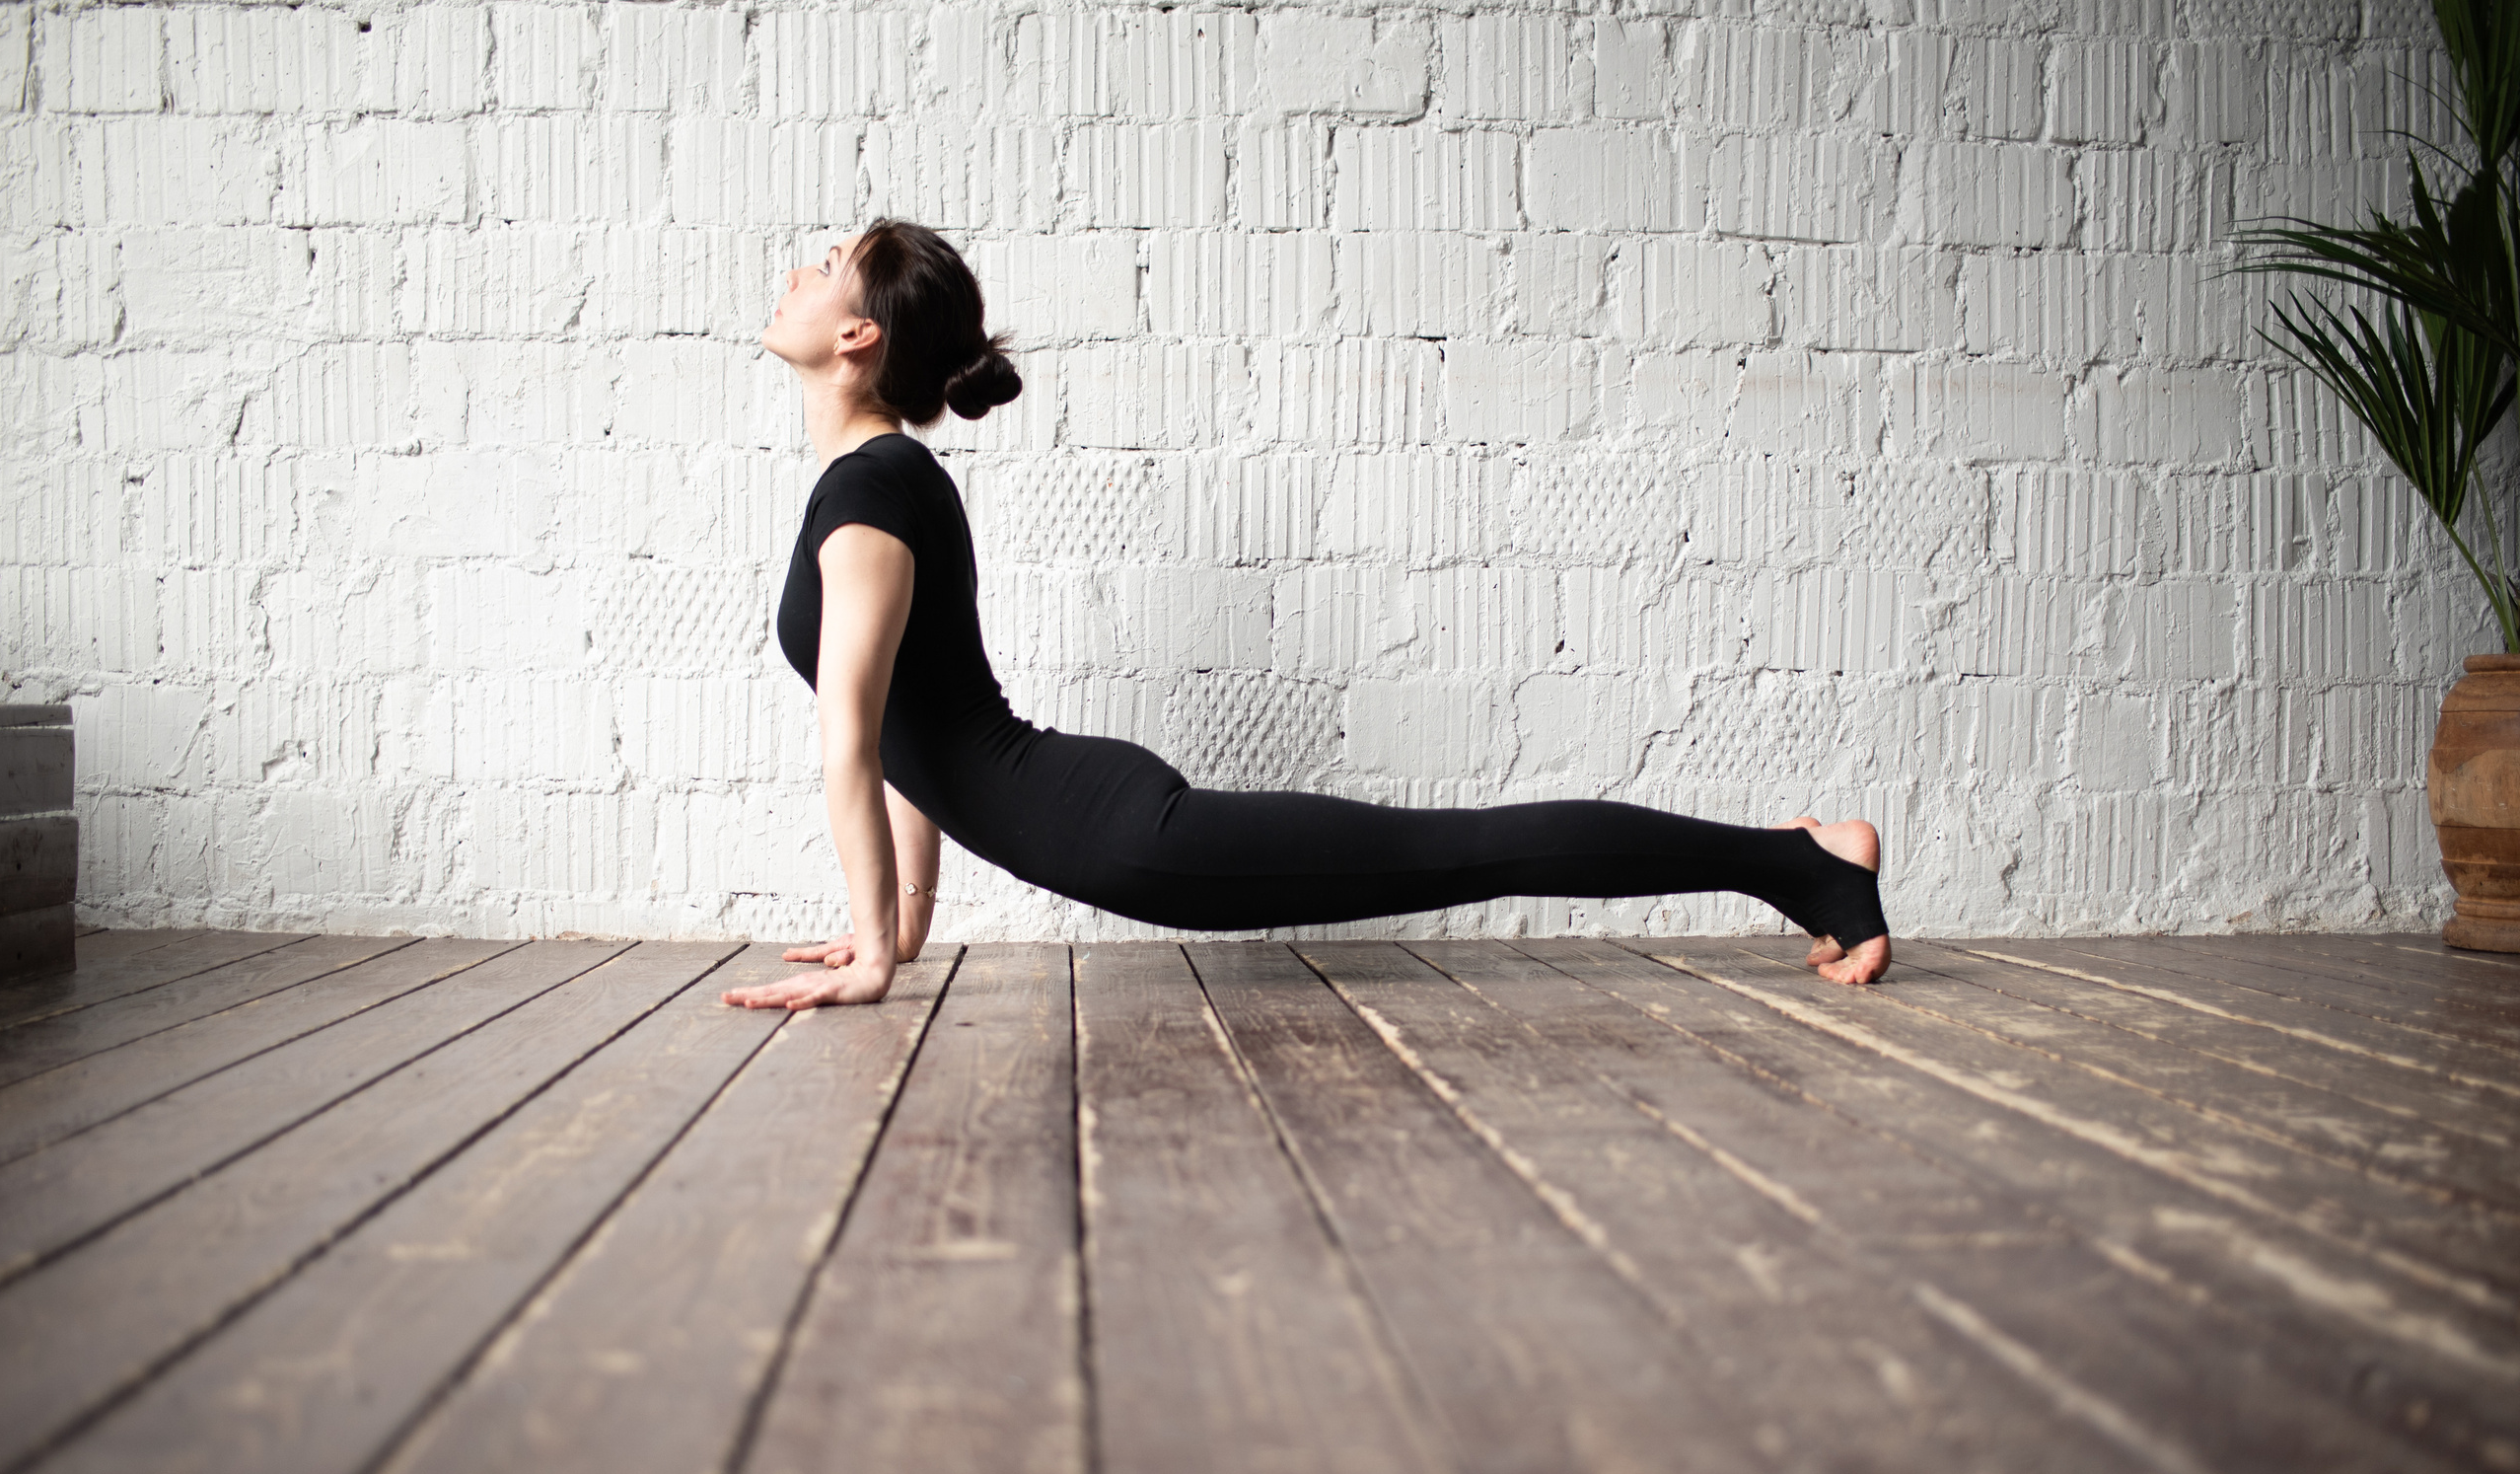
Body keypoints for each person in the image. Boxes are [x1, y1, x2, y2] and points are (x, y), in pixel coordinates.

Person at [722, 220, 1891, 1010]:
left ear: (857, 335)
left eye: (825, 264)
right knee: (1458, 852)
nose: (798, 273)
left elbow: (855, 743)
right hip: (1099, 810)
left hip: (1130, 839)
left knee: (1467, 850)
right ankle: (1800, 860)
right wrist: (903, 928)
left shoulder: (872, 493)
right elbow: (908, 739)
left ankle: (1808, 864)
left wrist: (877, 953)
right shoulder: (875, 485)